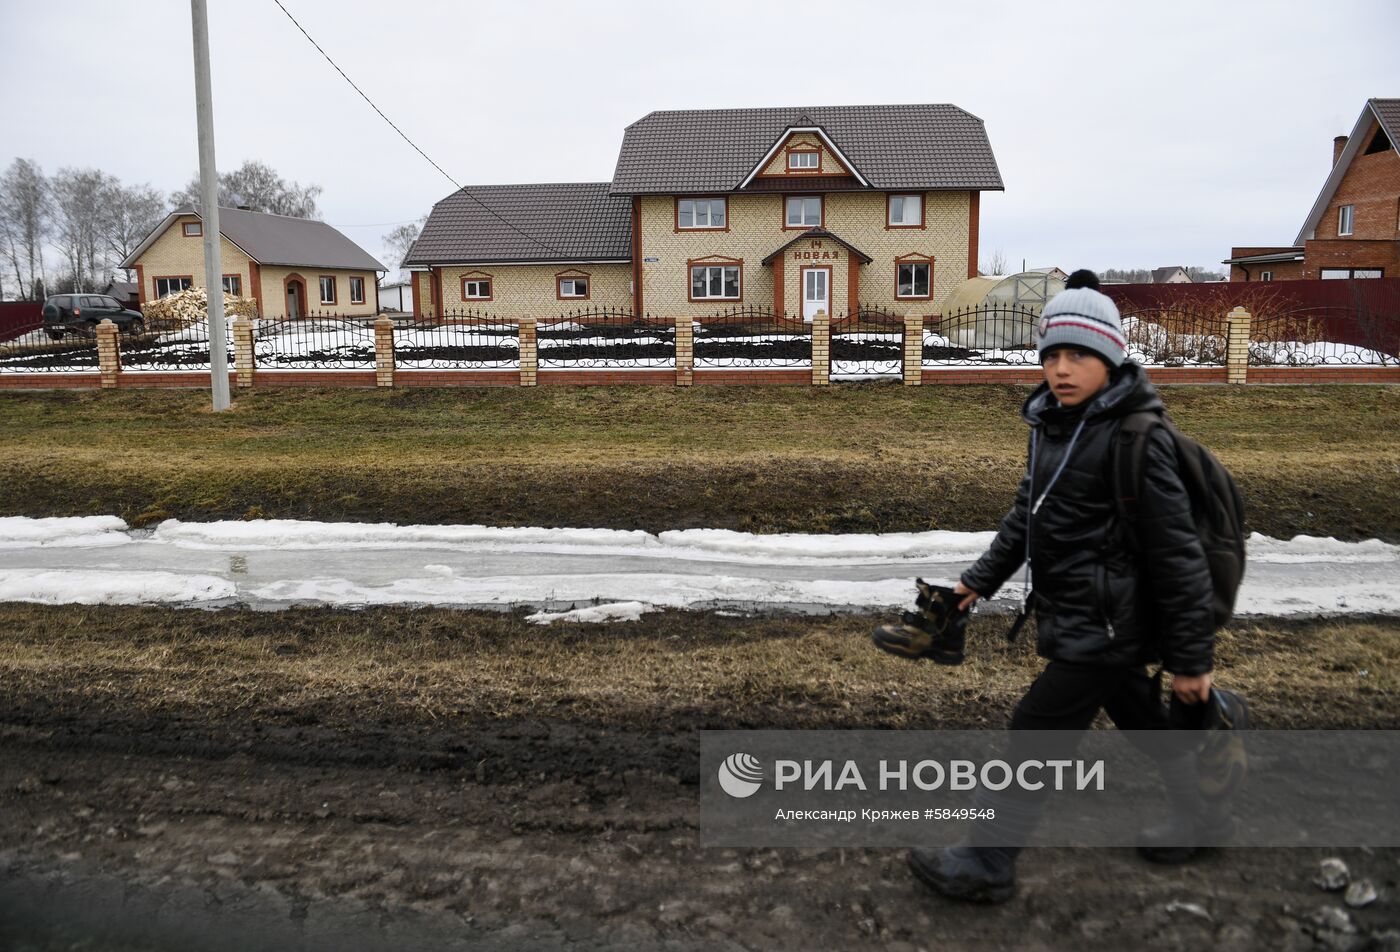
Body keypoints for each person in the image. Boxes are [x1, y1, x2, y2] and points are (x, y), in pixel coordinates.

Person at [906, 270, 1248, 904]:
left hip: (1110, 622)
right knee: (1146, 724)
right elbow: (1026, 518)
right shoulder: (1054, 425)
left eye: (1080, 354)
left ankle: (987, 859)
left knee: (1036, 729)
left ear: (1111, 359)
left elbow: (1178, 558)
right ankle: (1206, 807)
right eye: (1053, 354)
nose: (1062, 369)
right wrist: (970, 588)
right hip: (1082, 612)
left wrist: (1191, 662)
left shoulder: (1139, 441)